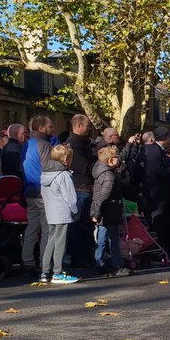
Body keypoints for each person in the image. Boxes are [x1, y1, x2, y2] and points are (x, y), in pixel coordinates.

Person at [21, 115, 56, 273]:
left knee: (32, 228)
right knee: (47, 229)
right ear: (41, 128)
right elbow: (50, 169)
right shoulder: (45, 145)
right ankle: (45, 263)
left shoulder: (26, 144)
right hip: (43, 190)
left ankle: (27, 260)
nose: (52, 129)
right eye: (50, 126)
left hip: (29, 190)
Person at [40, 143, 79, 284]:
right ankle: (57, 272)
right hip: (62, 212)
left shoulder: (45, 174)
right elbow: (70, 197)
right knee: (60, 243)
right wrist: (75, 210)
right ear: (64, 158)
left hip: (50, 212)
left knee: (51, 241)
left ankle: (45, 271)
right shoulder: (64, 175)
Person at [90, 143, 129, 276]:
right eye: (117, 157)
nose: (119, 159)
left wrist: (96, 212)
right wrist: (97, 212)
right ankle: (117, 266)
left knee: (101, 239)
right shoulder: (109, 175)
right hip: (109, 211)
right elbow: (104, 195)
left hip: (102, 211)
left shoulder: (99, 171)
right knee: (113, 240)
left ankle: (99, 263)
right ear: (110, 160)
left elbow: (98, 195)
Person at [65, 114, 96, 266]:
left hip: (85, 187)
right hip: (80, 187)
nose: (89, 128)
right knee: (80, 225)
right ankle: (79, 256)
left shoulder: (83, 143)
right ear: (78, 126)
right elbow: (83, 167)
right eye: (87, 125)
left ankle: (85, 253)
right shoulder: (74, 144)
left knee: (86, 224)